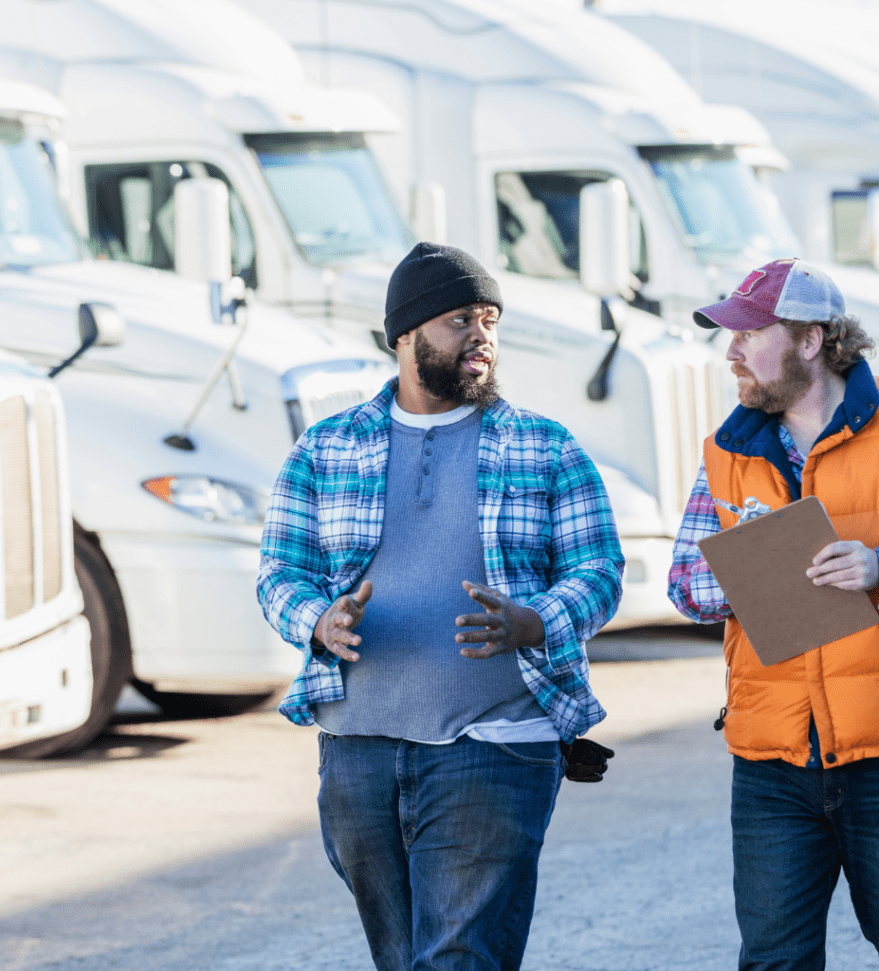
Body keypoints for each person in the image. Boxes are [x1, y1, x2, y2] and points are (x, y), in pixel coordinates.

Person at [257, 242, 623, 971]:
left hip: (494, 746)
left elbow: (598, 569)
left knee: (455, 958)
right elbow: (279, 573)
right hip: (357, 750)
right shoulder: (325, 449)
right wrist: (318, 620)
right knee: (403, 958)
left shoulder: (544, 446)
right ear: (406, 335)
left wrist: (535, 620)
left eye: (490, 320)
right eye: (461, 320)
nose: (481, 335)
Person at [667, 257, 879, 971]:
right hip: (772, 762)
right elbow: (685, 584)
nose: (729, 351)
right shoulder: (726, 449)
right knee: (774, 963)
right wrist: (744, 571)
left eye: (748, 333)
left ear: (811, 339)